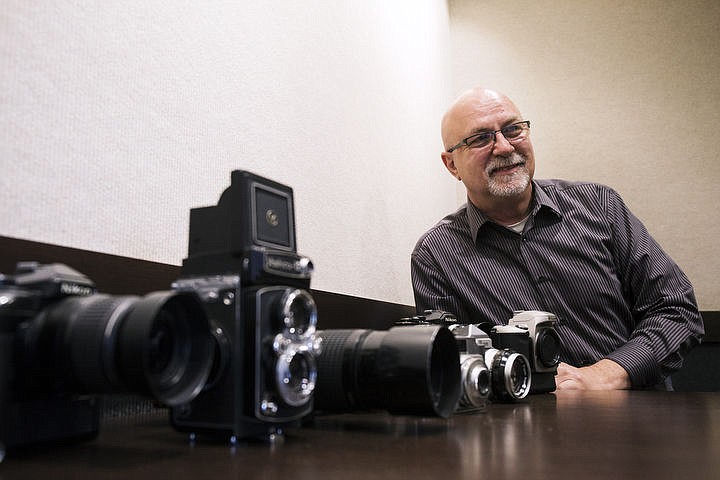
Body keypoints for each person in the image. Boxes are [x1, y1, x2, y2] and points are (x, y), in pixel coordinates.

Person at [411, 87, 704, 390]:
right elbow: (449, 367)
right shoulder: (436, 256)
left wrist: (607, 374)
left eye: (513, 130)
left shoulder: (600, 206)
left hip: (644, 418)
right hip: (526, 430)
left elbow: (676, 309)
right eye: (480, 138)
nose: (503, 146)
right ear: (452, 165)